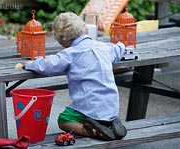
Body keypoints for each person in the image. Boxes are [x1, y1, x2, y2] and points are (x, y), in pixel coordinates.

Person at [24, 12, 127, 141]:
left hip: (90, 108)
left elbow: (48, 66)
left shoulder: (70, 54)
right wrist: (122, 47)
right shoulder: (103, 47)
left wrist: (30, 64)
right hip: (111, 106)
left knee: (64, 119)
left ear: (62, 42)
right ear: (86, 29)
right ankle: (110, 122)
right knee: (101, 110)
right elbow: (119, 49)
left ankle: (92, 131)